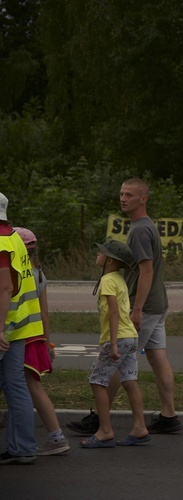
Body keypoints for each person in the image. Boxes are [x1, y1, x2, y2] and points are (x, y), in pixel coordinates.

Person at [67, 178, 181, 435]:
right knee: (157, 355)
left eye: (129, 195)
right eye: (121, 194)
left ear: (143, 199)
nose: (123, 198)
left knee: (117, 358)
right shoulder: (145, 226)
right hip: (158, 303)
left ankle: (100, 419)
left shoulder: (139, 230)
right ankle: (169, 415)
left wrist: (137, 308)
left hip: (146, 307)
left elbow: (146, 269)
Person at [81, 240, 150, 448]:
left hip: (118, 337)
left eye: (101, 253)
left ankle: (105, 430)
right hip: (130, 335)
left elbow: (113, 312)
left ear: (109, 260)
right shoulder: (119, 278)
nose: (97, 255)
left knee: (97, 381)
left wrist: (112, 344)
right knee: (129, 380)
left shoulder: (108, 280)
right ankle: (139, 427)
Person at [13, 227, 69, 455]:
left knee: (28, 386)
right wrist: (47, 342)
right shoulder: (39, 273)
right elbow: (44, 313)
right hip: (35, 335)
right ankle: (56, 436)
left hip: (18, 335)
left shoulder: (12, 269)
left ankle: (56, 437)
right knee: (31, 384)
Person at [0, 193, 42, 465]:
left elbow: (5, 287)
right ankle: (22, 447)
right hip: (19, 322)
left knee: (13, 386)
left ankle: (23, 447)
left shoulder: (2, 242)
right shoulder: (14, 236)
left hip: (5, 325)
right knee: (15, 385)